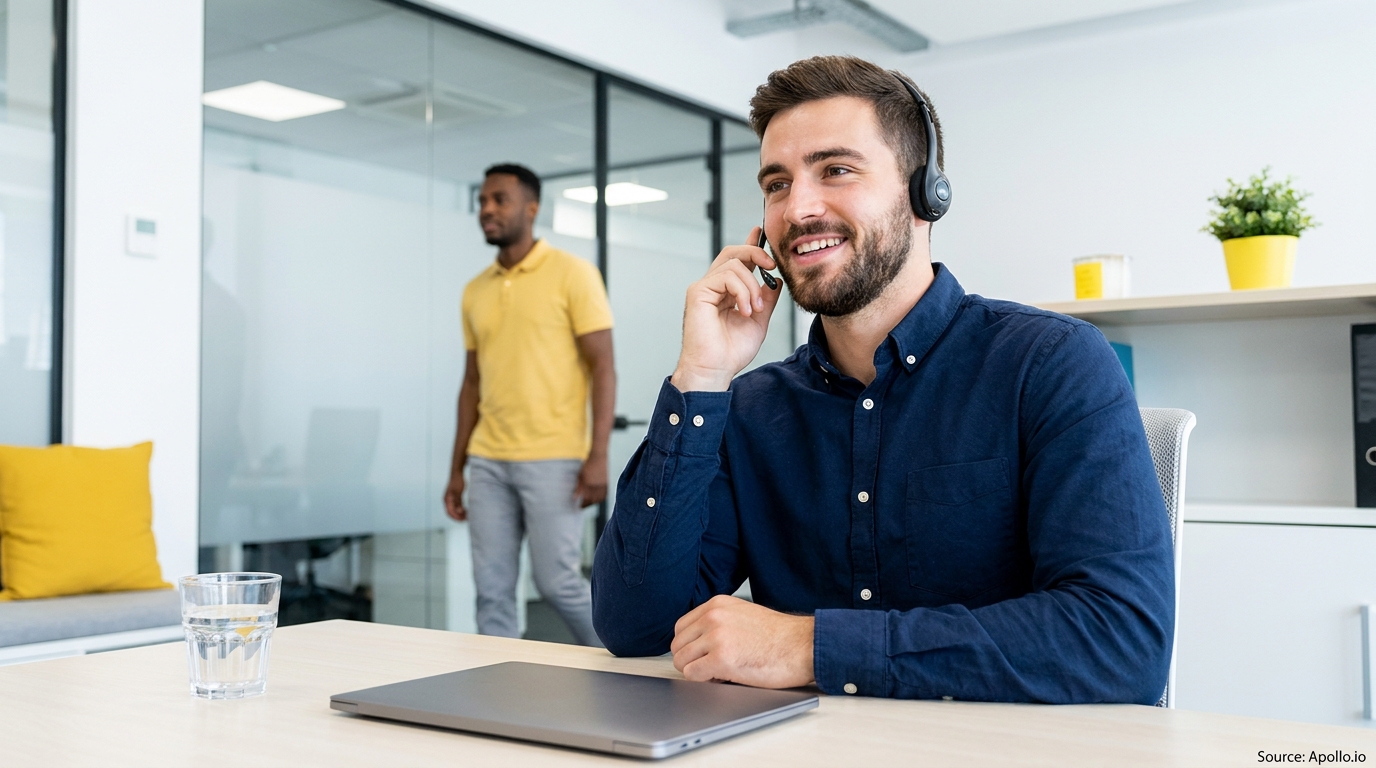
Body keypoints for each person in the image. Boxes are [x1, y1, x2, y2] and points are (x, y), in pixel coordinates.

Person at [590, 56, 1174, 702]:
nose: (799, 208)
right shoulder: (751, 409)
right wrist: (701, 377)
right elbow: (637, 625)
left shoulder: (1052, 364)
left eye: (835, 170)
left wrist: (809, 647)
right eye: (777, 184)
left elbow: (1122, 640)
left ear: (926, 195)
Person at [444, 163, 614, 647]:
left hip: (553, 458)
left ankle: (625, 664)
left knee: (557, 582)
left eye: (499, 199)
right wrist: (457, 469)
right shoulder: (474, 290)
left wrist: (597, 456)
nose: (487, 210)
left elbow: (604, 367)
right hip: (489, 462)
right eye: (482, 201)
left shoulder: (573, 275)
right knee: (492, 592)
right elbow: (471, 383)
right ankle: (499, 684)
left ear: (531, 208)